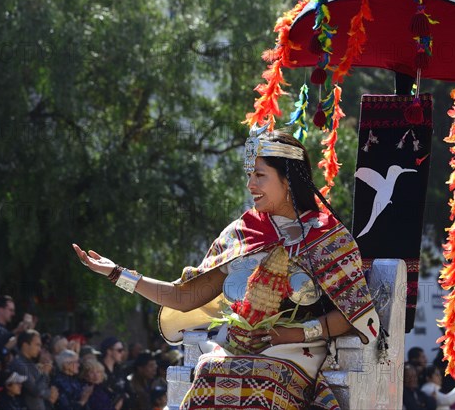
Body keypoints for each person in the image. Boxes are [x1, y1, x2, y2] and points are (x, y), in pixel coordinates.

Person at [73, 127, 380, 409]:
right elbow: (183, 298)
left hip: (299, 350)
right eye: (249, 175)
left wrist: (292, 334)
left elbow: (354, 314)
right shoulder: (241, 231)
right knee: (209, 372)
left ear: (288, 180)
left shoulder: (328, 236)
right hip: (238, 347)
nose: (250, 185)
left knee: (266, 379)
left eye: (259, 175)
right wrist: (116, 273)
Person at [8, 330, 58, 410]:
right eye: (37, 345)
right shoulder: (19, 364)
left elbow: (43, 389)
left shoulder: (31, 363)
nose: (39, 349)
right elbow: (36, 391)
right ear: (25, 345)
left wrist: (49, 393)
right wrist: (45, 373)